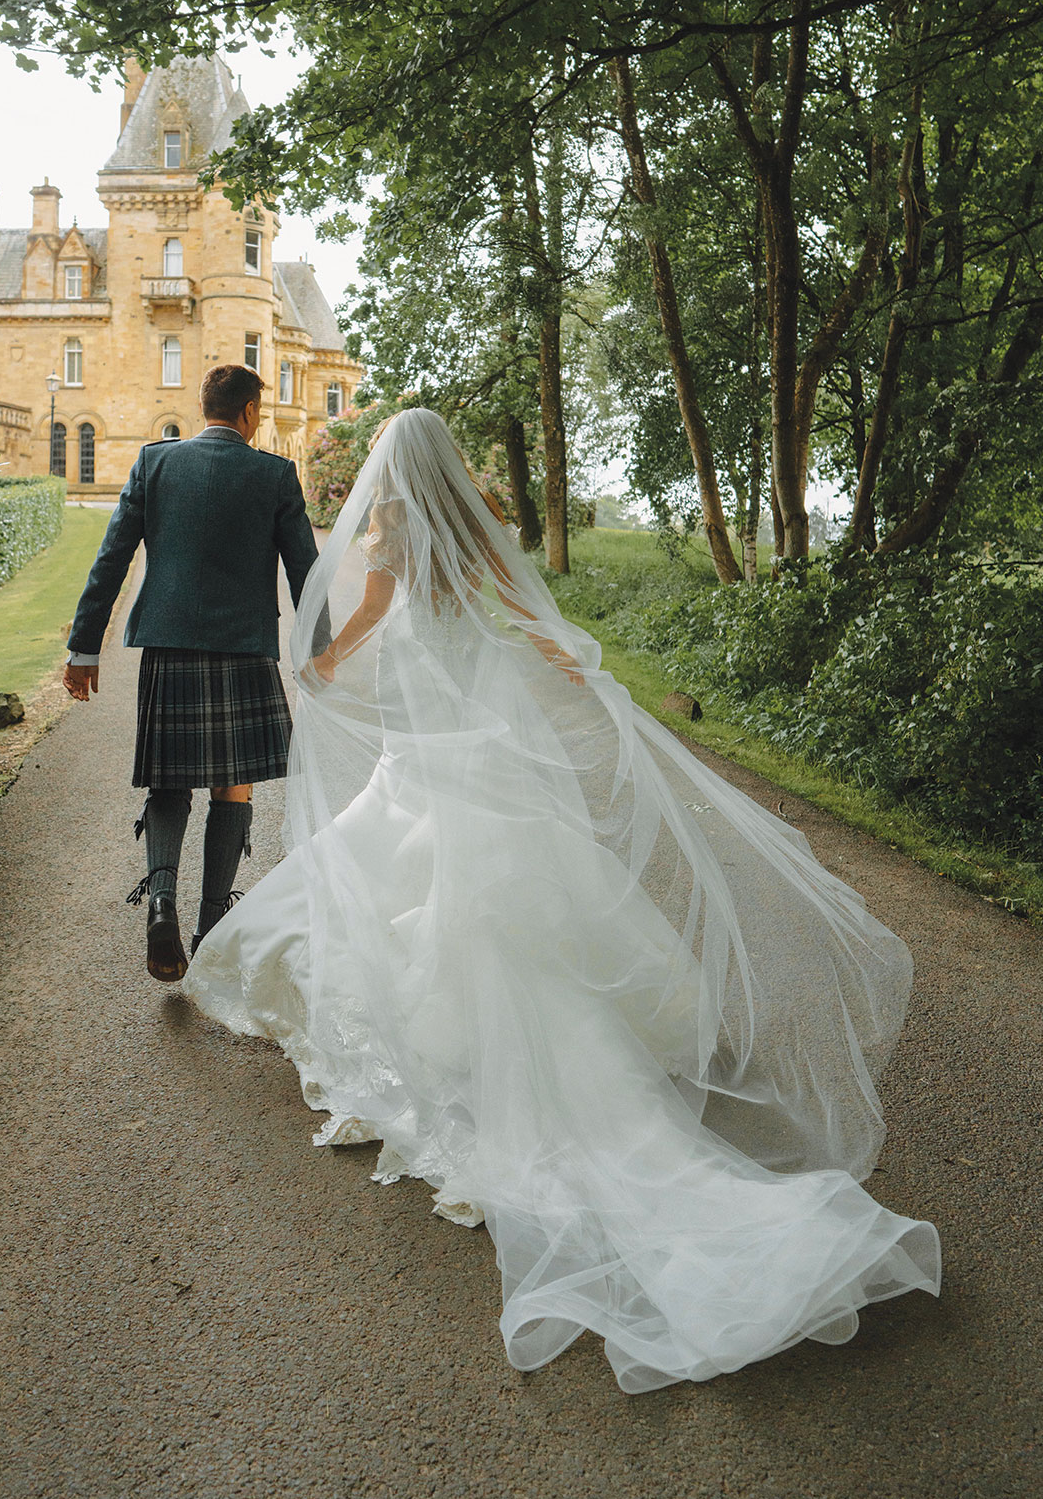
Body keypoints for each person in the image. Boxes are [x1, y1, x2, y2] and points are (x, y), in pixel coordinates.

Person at [184, 407, 940, 1393]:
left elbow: (368, 622)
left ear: (387, 468)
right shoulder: (469, 516)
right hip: (476, 717)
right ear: (447, 462)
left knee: (389, 877)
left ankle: (458, 1048)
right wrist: (568, 656)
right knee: (513, 891)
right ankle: (565, 1057)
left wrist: (320, 668)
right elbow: (518, 602)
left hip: (426, 733)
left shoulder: (386, 533)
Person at [63, 364, 327, 982]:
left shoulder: (155, 464)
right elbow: (306, 575)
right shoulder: (274, 474)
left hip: (170, 644)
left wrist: (84, 649)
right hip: (243, 649)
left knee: (168, 781)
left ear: (205, 406)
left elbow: (112, 558)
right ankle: (212, 924)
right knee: (233, 786)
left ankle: (161, 904)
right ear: (251, 411)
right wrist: (318, 653)